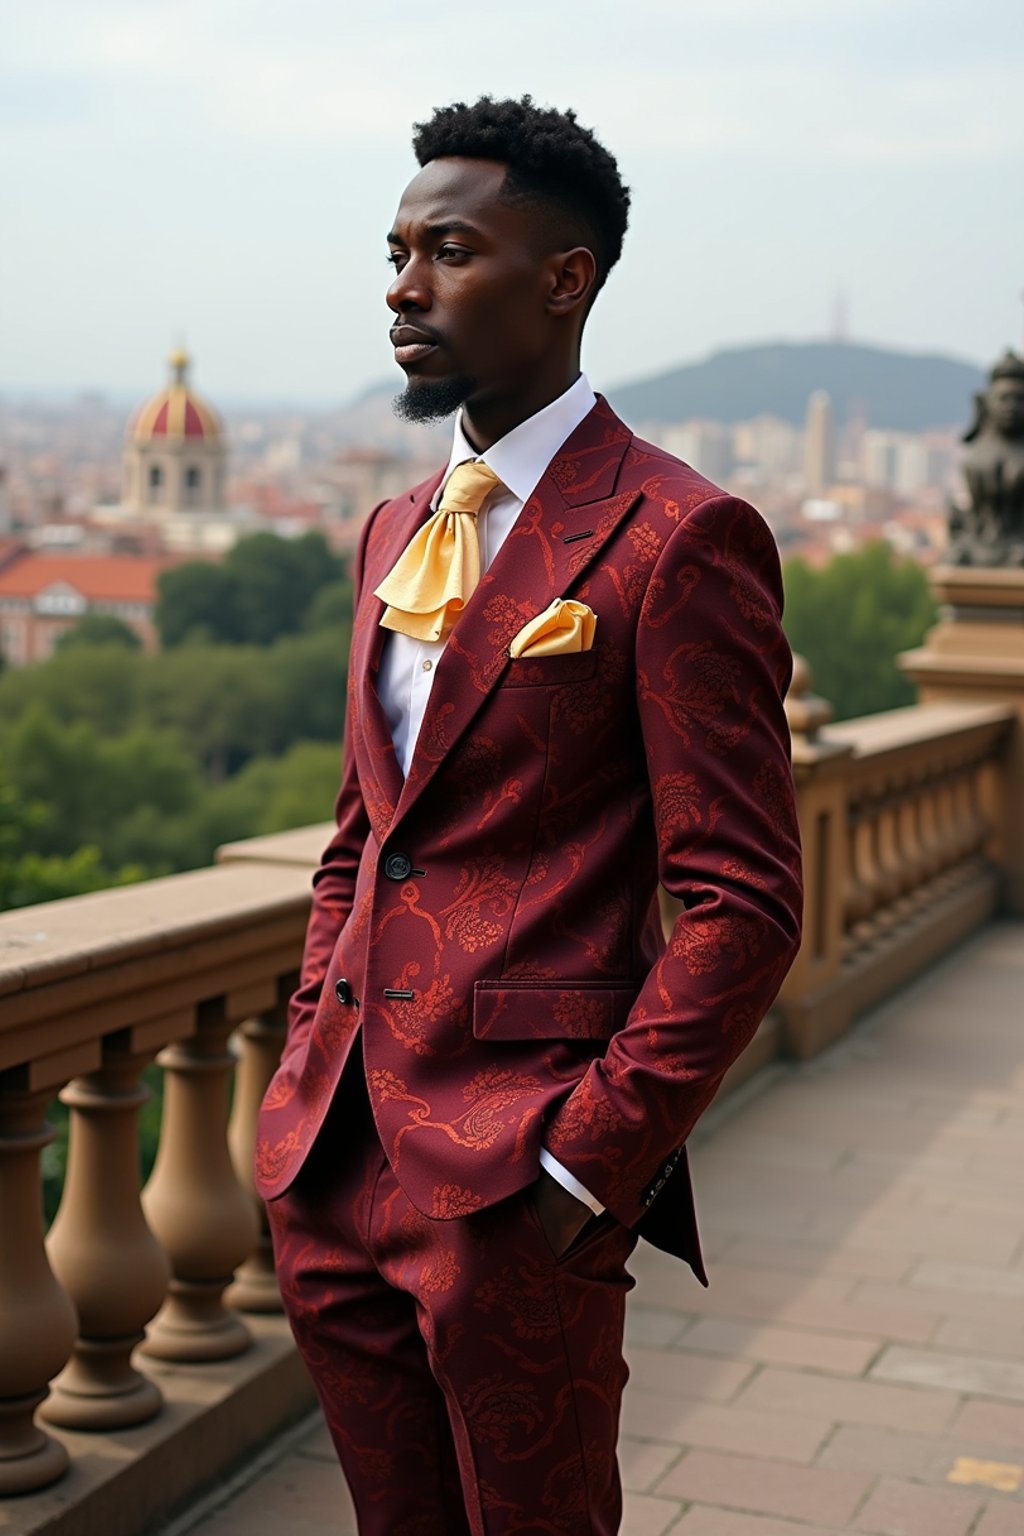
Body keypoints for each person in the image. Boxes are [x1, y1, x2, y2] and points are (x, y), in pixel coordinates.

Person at [255, 95, 803, 1536]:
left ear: (565, 279)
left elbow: (745, 904)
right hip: (332, 1162)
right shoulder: (391, 530)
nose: (400, 285)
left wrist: (585, 1165)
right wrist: (307, 1054)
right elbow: (363, 836)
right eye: (394, 250)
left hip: (519, 1178)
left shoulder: (680, 536)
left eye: (447, 250)